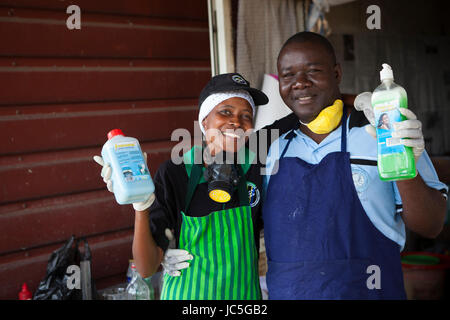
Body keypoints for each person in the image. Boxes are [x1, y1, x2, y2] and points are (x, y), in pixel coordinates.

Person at [261, 31, 448, 300]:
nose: (300, 83)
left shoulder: (383, 130)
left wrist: (402, 157)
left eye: (312, 71)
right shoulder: (273, 146)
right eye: (288, 75)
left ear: (337, 73)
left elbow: (431, 225)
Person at [94, 73, 269, 300]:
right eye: (225, 111)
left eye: (246, 116)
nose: (236, 122)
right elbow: (146, 268)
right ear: (204, 121)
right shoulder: (175, 173)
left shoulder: (256, 168)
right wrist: (140, 207)